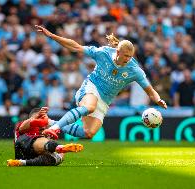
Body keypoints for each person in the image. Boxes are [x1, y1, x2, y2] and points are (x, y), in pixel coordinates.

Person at [35, 25, 168, 140]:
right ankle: (56, 128)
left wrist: (158, 99)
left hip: (104, 100)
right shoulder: (103, 53)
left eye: (130, 56)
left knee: (89, 133)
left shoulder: (134, 70)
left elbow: (150, 91)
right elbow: (75, 47)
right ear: (118, 52)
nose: (128, 59)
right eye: (126, 56)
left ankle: (50, 123)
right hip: (91, 87)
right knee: (90, 107)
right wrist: (51, 35)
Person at [7, 107, 83, 167]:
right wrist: (36, 119)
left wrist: (48, 137)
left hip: (34, 157)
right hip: (22, 149)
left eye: (43, 119)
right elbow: (23, 127)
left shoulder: (47, 129)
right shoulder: (23, 125)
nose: (41, 123)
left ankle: (22, 163)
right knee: (44, 142)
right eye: (39, 118)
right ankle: (57, 147)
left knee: (60, 155)